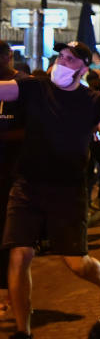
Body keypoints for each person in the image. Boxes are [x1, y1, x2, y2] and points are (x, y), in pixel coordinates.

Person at [0, 41, 100, 338]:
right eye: (61, 56)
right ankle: (24, 331)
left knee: (76, 264)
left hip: (68, 191)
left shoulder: (93, 100)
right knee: (19, 255)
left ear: (83, 68)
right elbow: (3, 89)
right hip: (27, 186)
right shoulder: (34, 88)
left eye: (70, 59)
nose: (62, 62)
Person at [0, 41, 27, 316]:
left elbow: (32, 128)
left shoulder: (24, 85)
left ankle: (9, 293)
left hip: (15, 172)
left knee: (9, 237)